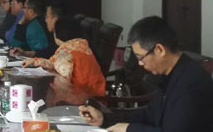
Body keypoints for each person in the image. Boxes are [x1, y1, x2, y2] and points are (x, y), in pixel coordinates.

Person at [79, 16, 213, 132]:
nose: (140, 63)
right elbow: (150, 114)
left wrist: (130, 129)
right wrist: (105, 119)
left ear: (159, 49)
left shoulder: (191, 84)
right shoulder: (172, 72)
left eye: (140, 57)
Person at [23, 17, 105, 96]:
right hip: (95, 93)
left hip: (85, 97)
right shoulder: (81, 46)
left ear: (58, 34)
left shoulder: (66, 53)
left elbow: (61, 83)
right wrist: (36, 61)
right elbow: (55, 64)